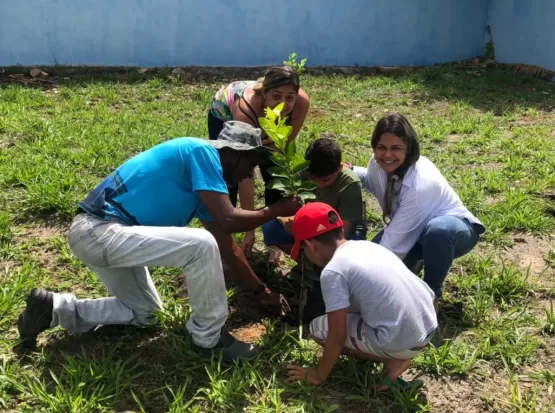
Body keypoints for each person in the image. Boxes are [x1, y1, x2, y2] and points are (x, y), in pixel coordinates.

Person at [17, 121, 300, 362]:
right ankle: (209, 338)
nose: (248, 175)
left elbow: (227, 245)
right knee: (200, 244)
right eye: (250, 165)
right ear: (234, 153)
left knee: (145, 313)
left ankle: (55, 309)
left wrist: (261, 290)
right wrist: (275, 210)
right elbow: (229, 221)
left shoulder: (202, 191)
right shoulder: (202, 151)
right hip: (98, 231)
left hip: (108, 237)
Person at [285, 203, 437, 391]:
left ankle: (394, 359)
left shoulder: (333, 271)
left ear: (311, 246)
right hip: (428, 324)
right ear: (340, 229)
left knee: (319, 329)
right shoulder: (366, 247)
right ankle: (397, 352)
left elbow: (337, 335)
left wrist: (318, 374)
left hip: (405, 339)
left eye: (303, 249)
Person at [348, 113, 485, 306]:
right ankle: (413, 264)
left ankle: (430, 295)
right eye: (381, 147)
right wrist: (348, 171)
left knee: (437, 232)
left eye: (396, 148)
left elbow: (391, 245)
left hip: (455, 232)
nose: (387, 155)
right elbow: (371, 179)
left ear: (409, 148)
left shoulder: (420, 183)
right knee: (383, 268)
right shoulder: (378, 164)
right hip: (414, 230)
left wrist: (356, 280)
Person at [208, 65, 310, 258]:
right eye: (276, 96)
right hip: (223, 112)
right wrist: (250, 230)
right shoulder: (245, 112)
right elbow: (245, 175)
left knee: (274, 172)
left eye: (289, 97)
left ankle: (275, 240)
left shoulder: (301, 103)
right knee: (229, 174)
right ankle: (222, 236)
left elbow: (285, 144)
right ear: (265, 93)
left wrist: (266, 147)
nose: (283, 104)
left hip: (265, 123)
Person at [261, 137, 367, 263]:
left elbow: (343, 233)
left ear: (340, 168)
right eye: (312, 178)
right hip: (312, 227)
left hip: (339, 231)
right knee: (270, 227)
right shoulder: (303, 172)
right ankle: (306, 263)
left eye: (325, 180)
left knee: (344, 255)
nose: (317, 183)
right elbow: (284, 208)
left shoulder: (350, 184)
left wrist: (307, 233)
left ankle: (319, 265)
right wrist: (288, 222)